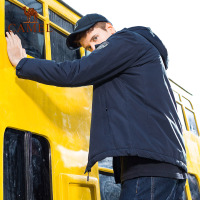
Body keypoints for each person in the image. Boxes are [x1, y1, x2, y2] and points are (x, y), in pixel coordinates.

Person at [6, 13, 187, 200]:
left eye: (95, 38)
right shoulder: (138, 55)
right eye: (88, 47)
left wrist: (23, 63)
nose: (94, 48)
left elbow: (74, 72)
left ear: (109, 28)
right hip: (165, 165)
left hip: (148, 166)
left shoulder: (126, 40)